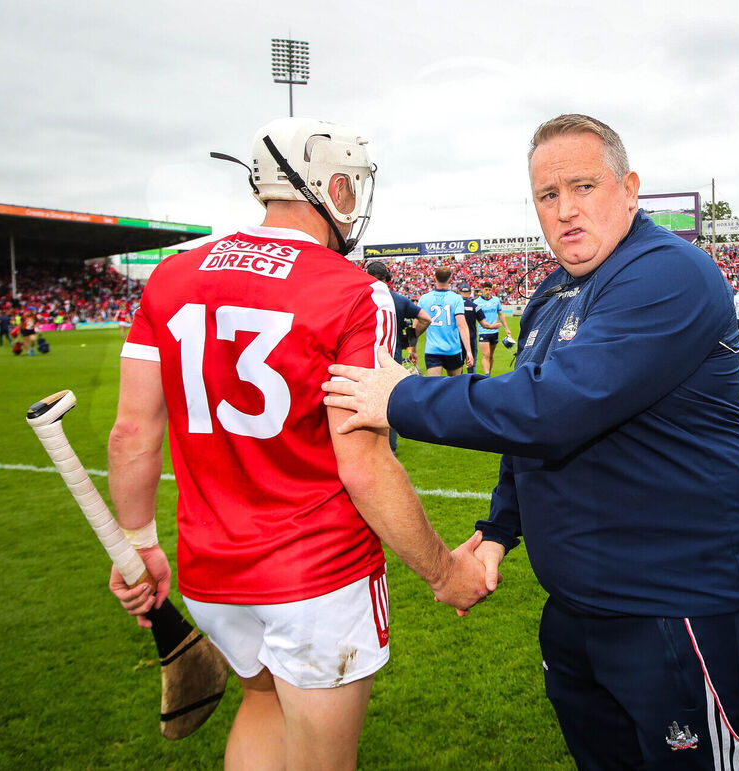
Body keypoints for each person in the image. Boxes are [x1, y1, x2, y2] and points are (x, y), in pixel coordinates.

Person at [324, 114, 739, 770]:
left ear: (630, 189)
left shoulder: (667, 273)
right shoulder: (553, 292)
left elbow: (554, 408)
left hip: (680, 603)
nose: (565, 210)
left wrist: (399, 395)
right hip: (580, 604)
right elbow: (529, 436)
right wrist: (500, 528)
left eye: (584, 186)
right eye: (547, 194)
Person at [106, 118, 487, 769]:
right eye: (353, 186)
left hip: (212, 569)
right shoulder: (354, 290)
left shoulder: (171, 277)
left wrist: (139, 545)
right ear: (332, 186)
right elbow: (363, 462)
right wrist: (446, 571)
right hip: (317, 576)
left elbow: (132, 432)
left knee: (261, 705)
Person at [364, 260, 431, 453]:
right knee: (389, 401)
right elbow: (426, 318)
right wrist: (410, 339)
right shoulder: (398, 300)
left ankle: (369, 445)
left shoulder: (360, 298)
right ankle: (390, 447)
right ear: (388, 279)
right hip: (392, 358)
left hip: (365, 357)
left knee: (365, 400)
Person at [416, 267, 473, 376]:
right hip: (452, 349)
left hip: (433, 350)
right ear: (450, 279)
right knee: (455, 387)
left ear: (434, 278)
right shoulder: (456, 298)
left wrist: (412, 348)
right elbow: (462, 325)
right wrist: (469, 351)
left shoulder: (424, 298)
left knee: (433, 387)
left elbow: (416, 325)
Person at [474, 281, 506, 375]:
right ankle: (487, 374)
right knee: (486, 354)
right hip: (483, 331)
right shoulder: (477, 302)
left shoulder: (496, 300)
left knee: (491, 355)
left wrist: (506, 328)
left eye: (489, 290)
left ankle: (489, 373)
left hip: (495, 331)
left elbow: (500, 314)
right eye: (486, 289)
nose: (488, 291)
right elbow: (474, 316)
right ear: (482, 290)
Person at [457, 282, 490, 374]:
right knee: (471, 365)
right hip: (471, 338)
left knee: (458, 365)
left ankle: (457, 384)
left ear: (460, 292)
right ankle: (470, 384)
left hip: (457, 338)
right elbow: (484, 323)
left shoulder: (454, 306)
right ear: (469, 293)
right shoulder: (475, 306)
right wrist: (494, 326)